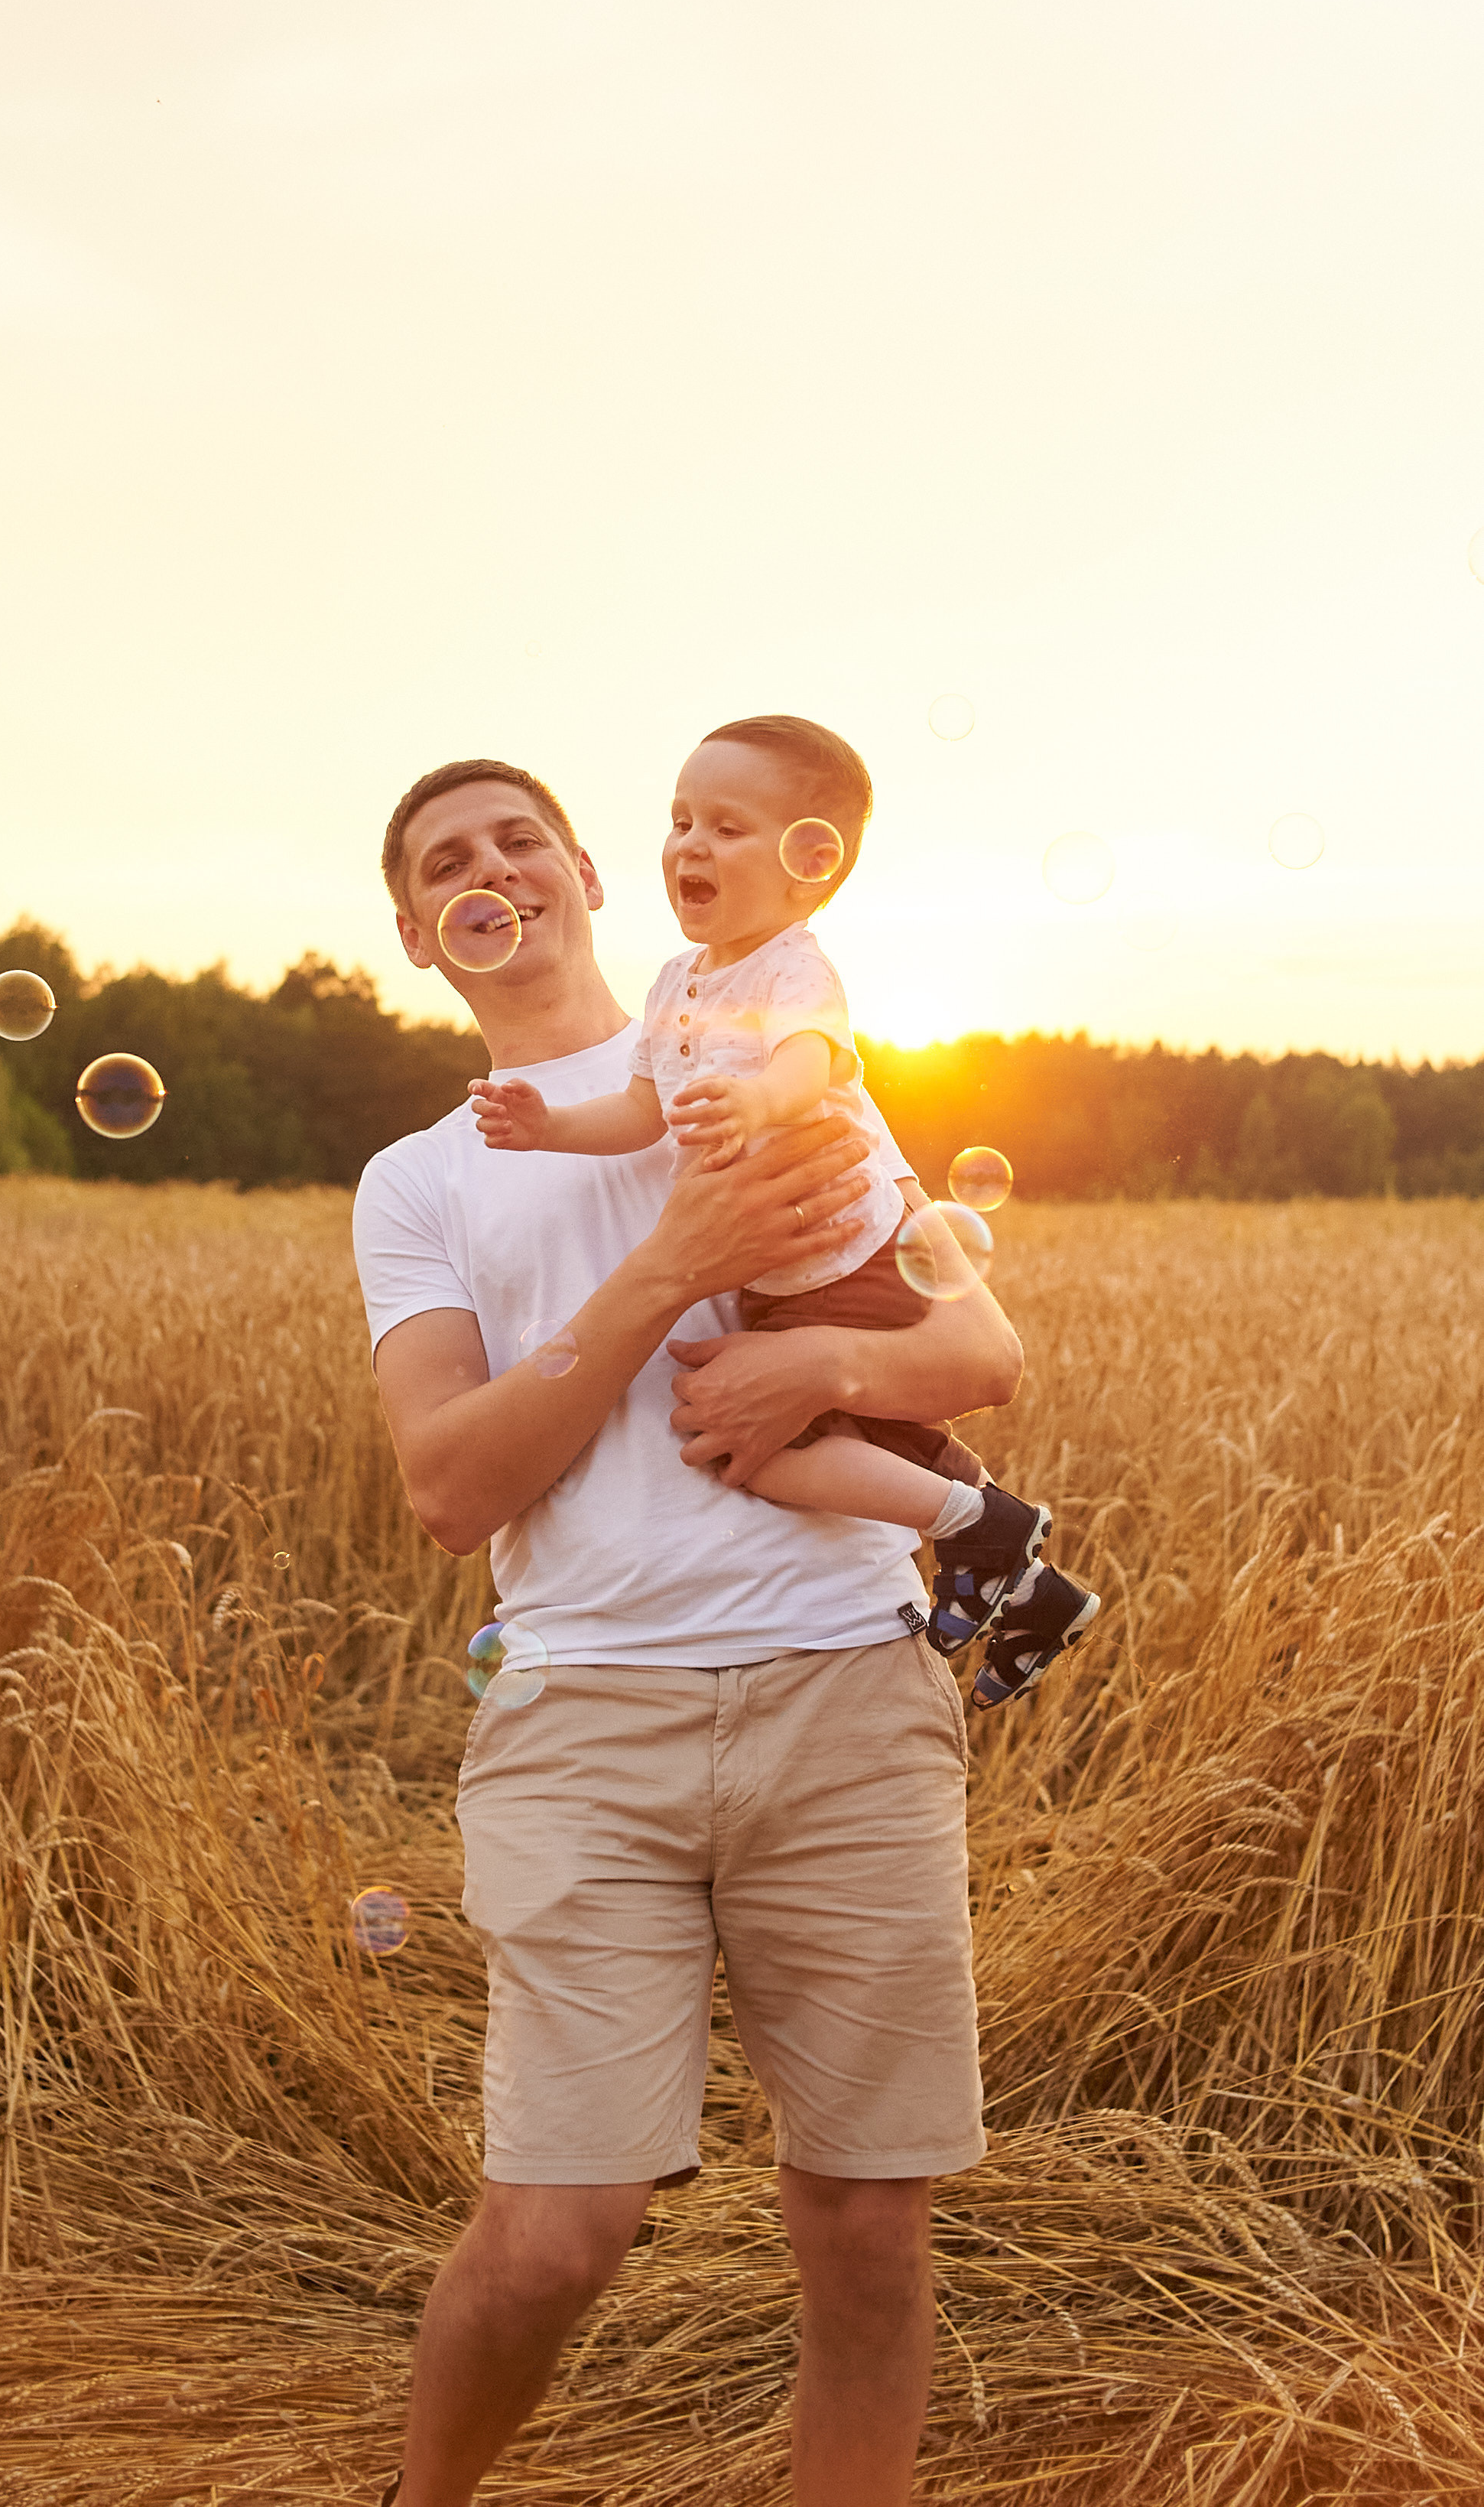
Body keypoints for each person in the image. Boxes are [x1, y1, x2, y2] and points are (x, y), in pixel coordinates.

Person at [350, 753, 1026, 2507]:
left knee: (866, 2220)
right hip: (583, 1715)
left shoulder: (774, 1070)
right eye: (446, 864)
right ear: (421, 936)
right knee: (560, 2229)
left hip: (845, 1681)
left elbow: (980, 1364)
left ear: (583, 871)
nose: (490, 869)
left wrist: (820, 1363)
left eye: (518, 838)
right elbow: (447, 1486)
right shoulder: (420, 1183)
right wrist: (673, 1260)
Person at [466, 711, 1097, 1707]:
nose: (691, 845)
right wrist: (548, 1124)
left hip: (848, 1263)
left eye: (726, 826)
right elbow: (641, 1111)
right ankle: (1022, 1578)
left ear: (811, 867)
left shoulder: (796, 969)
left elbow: (811, 1062)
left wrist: (756, 1098)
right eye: (680, 821)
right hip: (783, 1283)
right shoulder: (676, 982)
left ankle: (987, 1532)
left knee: (765, 1455)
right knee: (868, 1441)